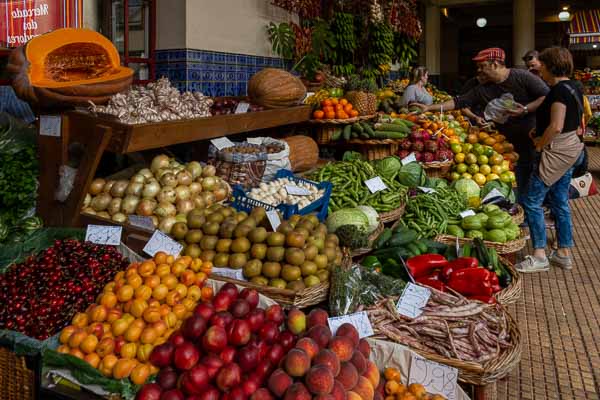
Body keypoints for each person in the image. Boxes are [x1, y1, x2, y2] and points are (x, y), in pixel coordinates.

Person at [412, 48, 549, 202]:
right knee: (509, 181)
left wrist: (525, 109)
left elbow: (547, 96)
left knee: (529, 179)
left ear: (495, 64)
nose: (479, 70)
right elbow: (458, 102)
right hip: (501, 145)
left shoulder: (522, 76)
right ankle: (517, 208)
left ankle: (530, 210)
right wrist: (429, 108)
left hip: (528, 140)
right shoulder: (483, 88)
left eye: (483, 66)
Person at [516, 47, 584, 273]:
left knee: (531, 200)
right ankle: (563, 253)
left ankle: (539, 255)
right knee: (559, 201)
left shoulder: (558, 91)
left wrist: (539, 143)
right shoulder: (573, 86)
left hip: (556, 152)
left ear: (551, 66)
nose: (539, 69)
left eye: (542, 65)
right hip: (570, 150)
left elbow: (556, 125)